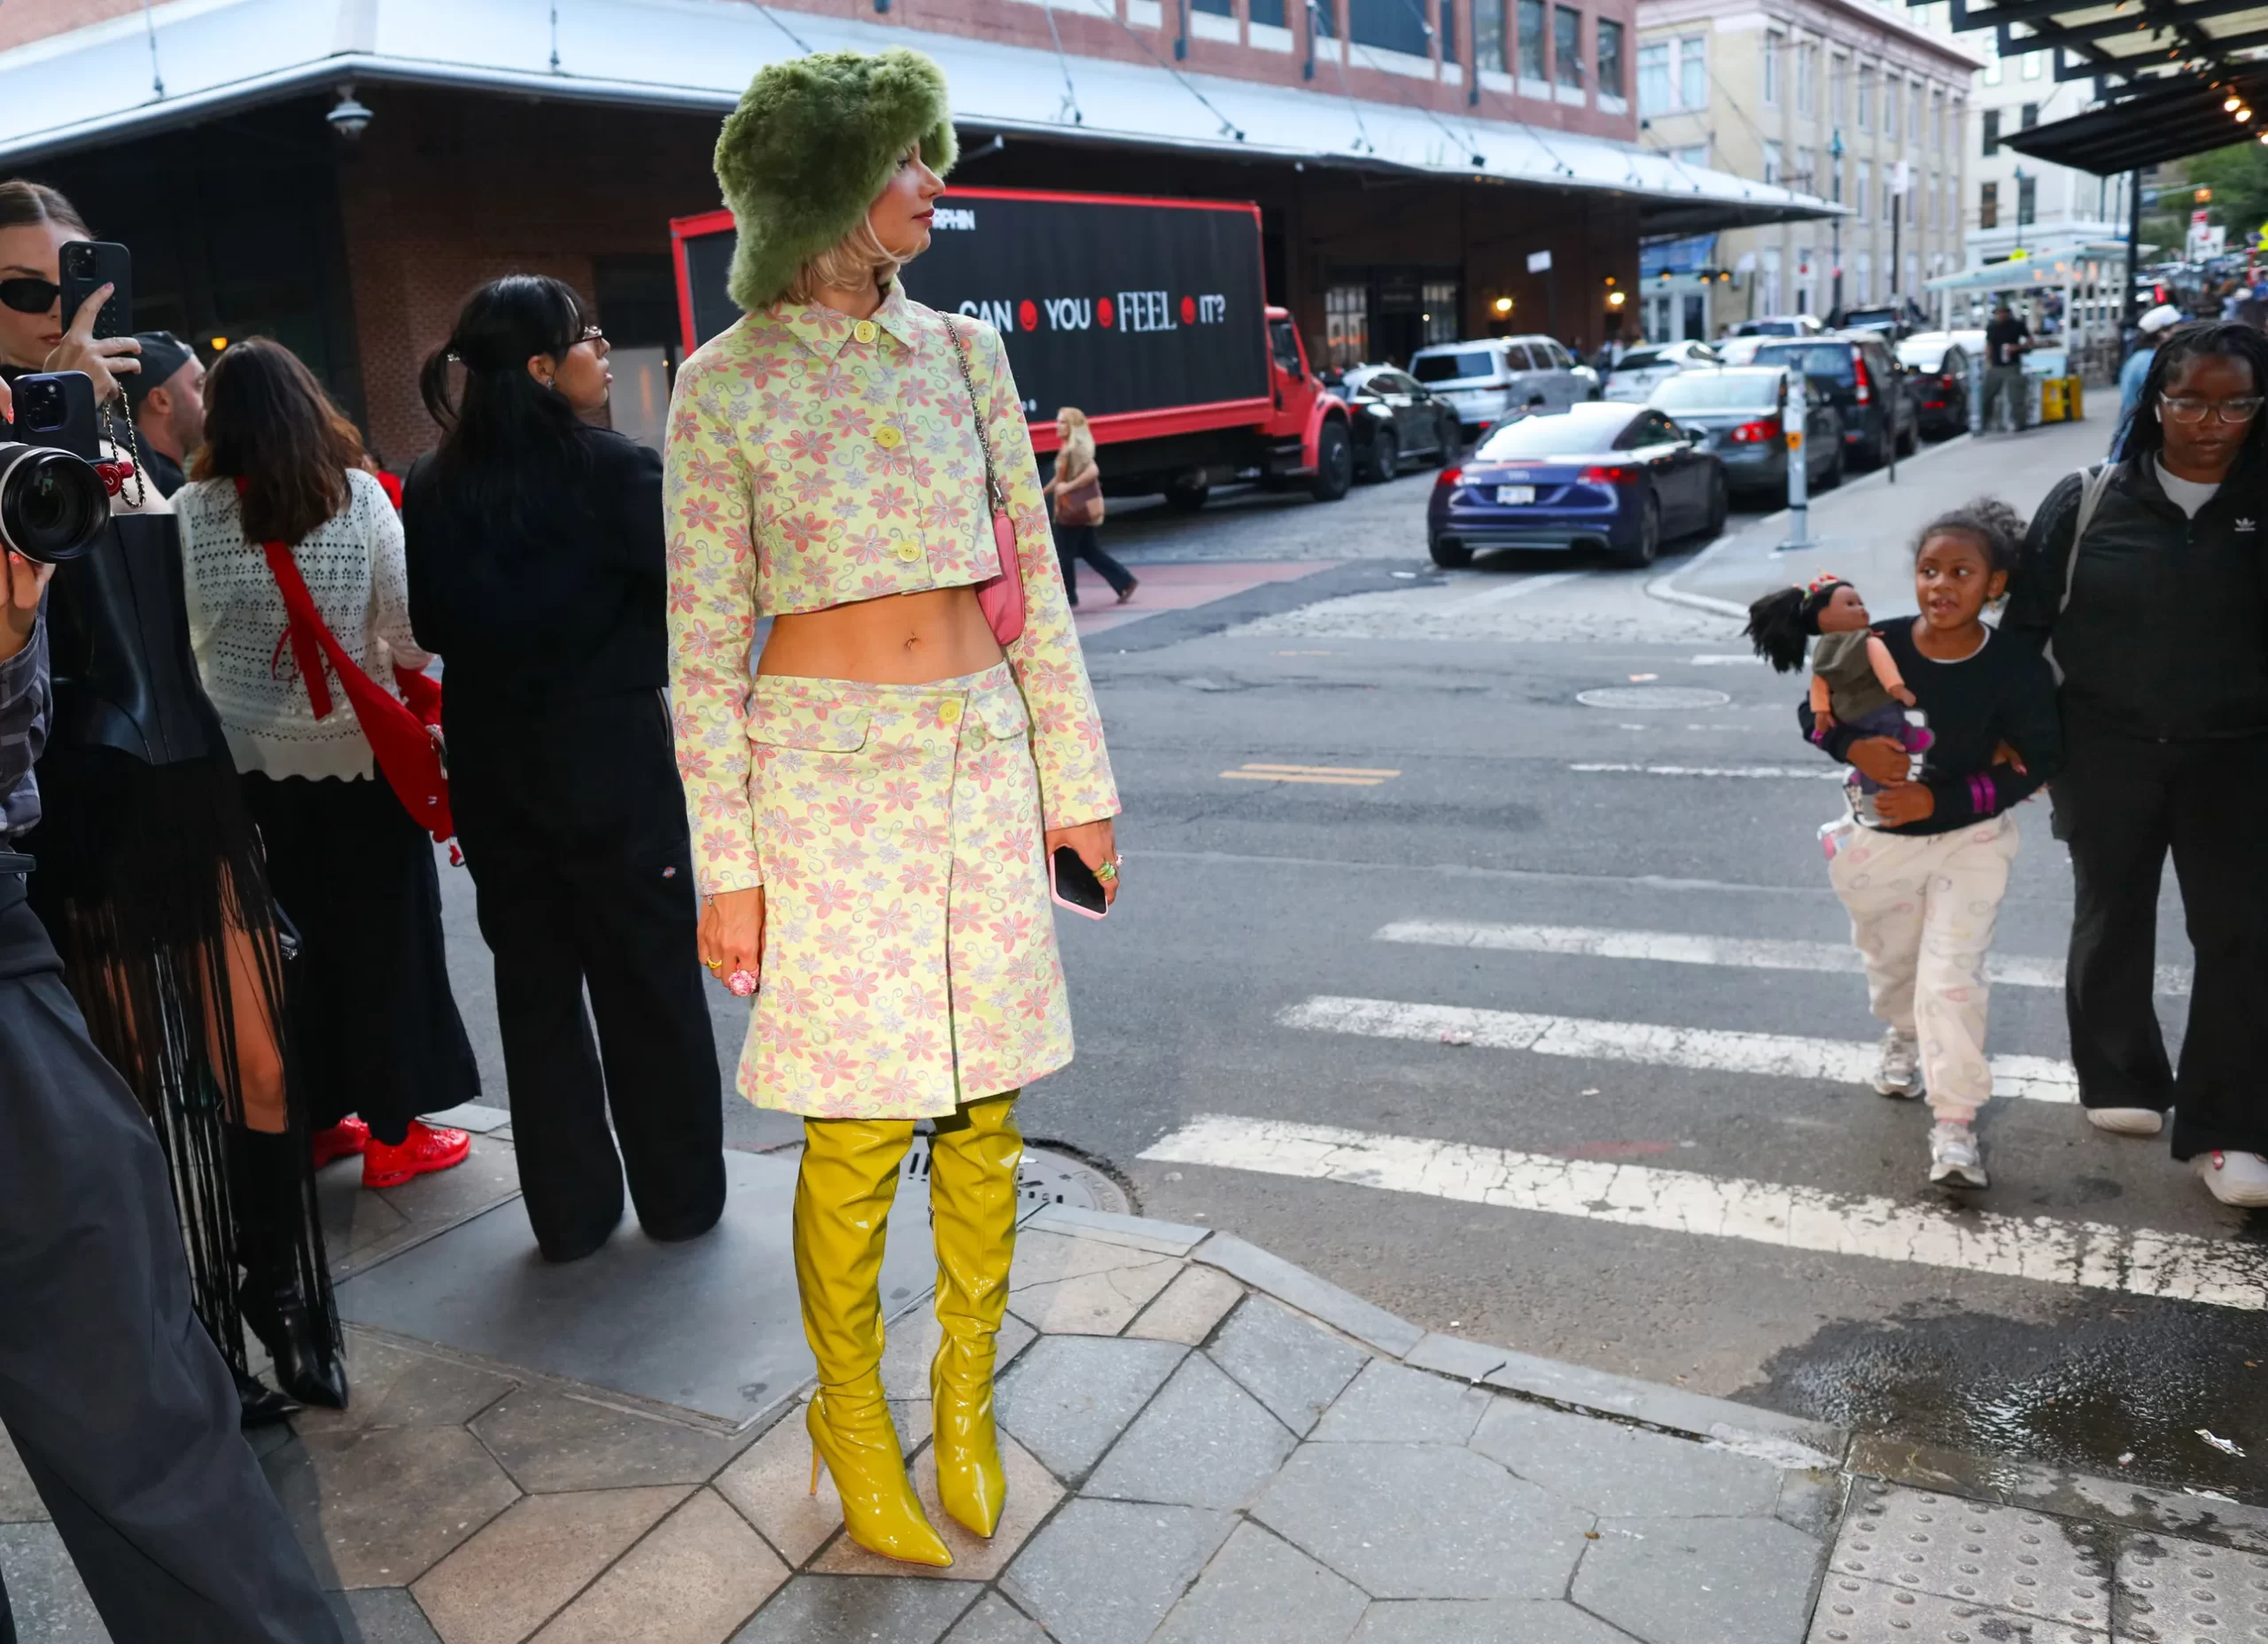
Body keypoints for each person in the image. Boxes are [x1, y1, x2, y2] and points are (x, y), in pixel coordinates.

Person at [672, 49, 1120, 1566]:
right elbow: (699, 651)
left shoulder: (966, 356)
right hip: (821, 783)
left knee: (989, 1110)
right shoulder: (722, 387)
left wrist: (1078, 787)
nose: (936, 182)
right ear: (824, 188)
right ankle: (851, 1414)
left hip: (981, 756)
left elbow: (1034, 584)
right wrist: (729, 868)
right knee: (860, 1127)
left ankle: (965, 1393)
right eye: (908, 159)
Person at [0, 389, 346, 1644]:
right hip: (99, 833)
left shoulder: (132, 477)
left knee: (145, 1401)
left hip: (133, 837)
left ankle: (274, 1298)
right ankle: (239, 1311)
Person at [405, 275, 726, 1264]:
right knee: (648, 984)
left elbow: (431, 625)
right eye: (588, 336)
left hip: (495, 763)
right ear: (543, 367)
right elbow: (690, 601)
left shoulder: (431, 481)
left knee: (536, 990)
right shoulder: (618, 470)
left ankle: (572, 1214)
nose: (603, 350)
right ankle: (677, 1197)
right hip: (611, 756)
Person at [175, 337, 479, 1191]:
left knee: (283, 947)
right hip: (359, 759)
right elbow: (408, 636)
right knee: (386, 942)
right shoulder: (358, 495)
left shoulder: (190, 511)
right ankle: (394, 1136)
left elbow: (183, 634)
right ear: (309, 402)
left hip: (244, 767)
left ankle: (310, 1120)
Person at [2003, 319, 2268, 1207]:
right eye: (2189, 401)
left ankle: (2230, 1128)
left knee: (2240, 934)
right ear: (2156, 401)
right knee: (2112, 912)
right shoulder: (2087, 500)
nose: (2211, 422)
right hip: (2102, 750)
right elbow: (2025, 631)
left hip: (2239, 757)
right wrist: (2031, 744)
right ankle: (2120, 1073)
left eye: (2236, 404)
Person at [1802, 501, 2062, 1189]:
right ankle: (1903, 1031)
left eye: (1960, 572)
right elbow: (1813, 710)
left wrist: (1940, 802)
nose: (1940, 584)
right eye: (1928, 570)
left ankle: (1955, 1124)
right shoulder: (1875, 642)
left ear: (1994, 584)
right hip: (1880, 842)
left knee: (1952, 977)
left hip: (1971, 841)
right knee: (1894, 964)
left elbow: (2039, 758)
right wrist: (1850, 745)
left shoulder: (2015, 668)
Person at [1041, 407, 1135, 607]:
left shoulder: (1075, 449)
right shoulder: (1068, 448)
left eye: (1063, 422)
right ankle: (1125, 582)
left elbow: (1093, 470)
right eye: (1058, 421)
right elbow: (1060, 478)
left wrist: (1068, 487)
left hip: (1073, 510)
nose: (1057, 426)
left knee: (1064, 553)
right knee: (1089, 550)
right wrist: (1044, 492)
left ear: (1073, 426)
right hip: (1078, 509)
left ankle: (1069, 597)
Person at [120, 331, 203, 498]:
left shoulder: (133, 476)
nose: (210, 398)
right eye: (199, 385)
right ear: (161, 401)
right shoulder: (163, 489)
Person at [2113, 304, 2182, 455]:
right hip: (2140, 445)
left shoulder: (2141, 358)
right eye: (2177, 329)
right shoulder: (2149, 362)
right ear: (2163, 333)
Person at [1980, 300, 2031, 432]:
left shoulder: (2017, 325)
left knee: (2015, 397)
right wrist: (1987, 360)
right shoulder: (1992, 327)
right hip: (1996, 366)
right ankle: (1984, 423)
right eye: (1999, 313)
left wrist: (2018, 347)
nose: (2001, 315)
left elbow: (2030, 340)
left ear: (2008, 313)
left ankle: (2020, 422)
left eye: (2003, 312)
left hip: (2012, 365)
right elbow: (1989, 344)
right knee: (1987, 396)